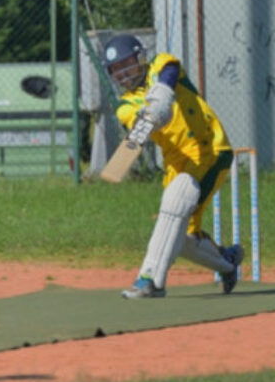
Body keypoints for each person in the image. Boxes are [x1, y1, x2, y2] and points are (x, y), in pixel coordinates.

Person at [103, 34, 243, 299]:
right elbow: (140, 124)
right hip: (176, 163)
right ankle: (228, 261)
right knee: (183, 238)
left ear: (140, 58)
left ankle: (150, 280)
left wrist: (161, 96)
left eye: (127, 64)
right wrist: (150, 116)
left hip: (209, 150)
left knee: (177, 200)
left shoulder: (161, 64)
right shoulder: (125, 105)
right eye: (116, 70)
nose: (122, 74)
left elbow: (169, 74)